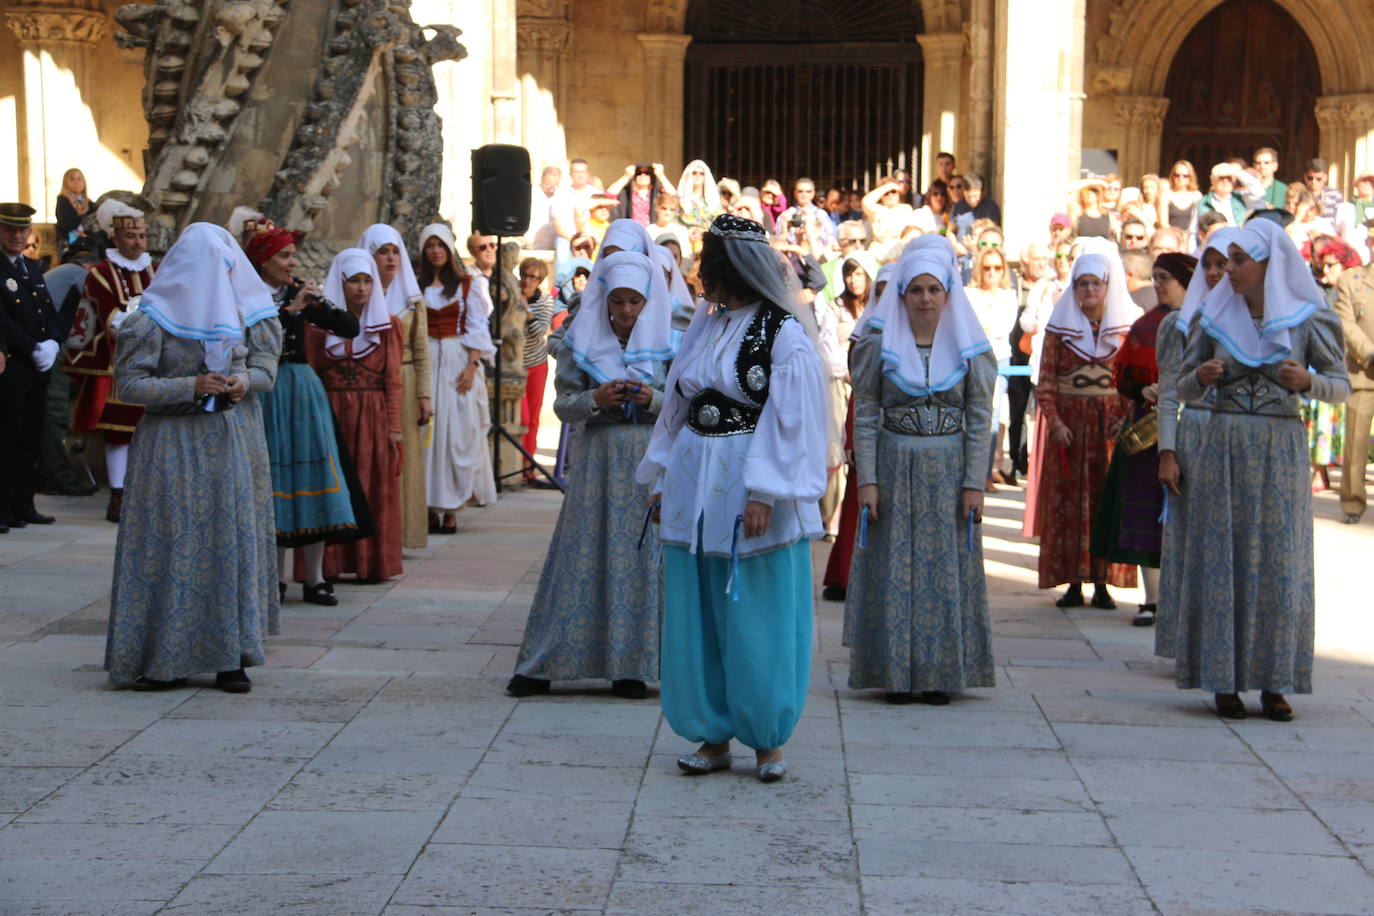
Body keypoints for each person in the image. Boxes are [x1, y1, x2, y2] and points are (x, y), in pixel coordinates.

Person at [637, 213, 828, 783]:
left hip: (748, 482)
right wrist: (662, 476)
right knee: (700, 608)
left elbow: (791, 419)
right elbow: (677, 405)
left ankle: (767, 740)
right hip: (695, 481)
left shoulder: (783, 331)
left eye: (709, 262)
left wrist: (767, 490)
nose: (700, 274)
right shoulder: (706, 322)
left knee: (756, 610)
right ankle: (712, 732)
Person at [1170, 219, 1350, 721]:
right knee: (1222, 558)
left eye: (1240, 261)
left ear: (1269, 264)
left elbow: (1342, 385)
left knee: (1277, 562)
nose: (1228, 270)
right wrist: (1200, 378)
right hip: (1222, 446)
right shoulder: (1213, 316)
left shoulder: (1309, 319)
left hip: (1280, 449)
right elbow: (1180, 385)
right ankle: (1223, 680)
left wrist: (1309, 380)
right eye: (1226, 261)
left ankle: (1275, 682)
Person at [103, 223, 282, 691]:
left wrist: (242, 382)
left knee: (228, 542)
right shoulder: (151, 317)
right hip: (171, 444)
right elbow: (130, 385)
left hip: (230, 441)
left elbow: (260, 369)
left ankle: (232, 656)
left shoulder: (240, 311)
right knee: (173, 544)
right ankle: (166, 657)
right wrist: (190, 386)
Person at [509, 250, 673, 699]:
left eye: (634, 302)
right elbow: (563, 406)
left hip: (645, 462)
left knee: (639, 560)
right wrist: (596, 398)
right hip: (597, 458)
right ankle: (551, 660)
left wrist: (651, 400)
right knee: (582, 556)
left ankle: (631, 667)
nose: (625, 311)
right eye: (617, 301)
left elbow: (683, 407)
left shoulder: (668, 343)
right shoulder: (583, 344)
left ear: (647, 302)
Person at [843, 245, 996, 704]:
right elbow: (866, 413)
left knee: (943, 569)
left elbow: (979, 416)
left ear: (948, 293)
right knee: (895, 565)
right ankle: (895, 670)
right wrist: (867, 480)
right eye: (915, 290)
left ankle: (938, 672)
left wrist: (974, 483)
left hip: (948, 470)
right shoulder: (877, 343)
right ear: (902, 294)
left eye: (934, 289)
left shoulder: (970, 346)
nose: (925, 299)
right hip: (893, 465)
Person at [246, 227, 368, 607]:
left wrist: (321, 302)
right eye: (285, 256)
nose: (292, 263)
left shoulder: (295, 291)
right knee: (275, 476)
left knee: (311, 473)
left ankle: (315, 578)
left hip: (302, 390)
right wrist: (292, 311)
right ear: (263, 261)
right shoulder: (248, 298)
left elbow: (349, 328)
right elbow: (251, 339)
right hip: (267, 391)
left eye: (293, 255)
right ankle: (276, 577)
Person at [1024, 242, 1137, 609]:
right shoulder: (1059, 328)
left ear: (1108, 286)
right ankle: (1073, 581)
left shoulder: (1123, 330)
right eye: (1082, 284)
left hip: (1108, 428)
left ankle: (1103, 582)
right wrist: (1054, 422)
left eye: (1095, 284)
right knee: (1069, 505)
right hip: (1069, 428)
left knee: (1106, 503)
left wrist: (1122, 422)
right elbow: (1047, 381)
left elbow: (1133, 383)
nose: (1089, 291)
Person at [1089, 252, 1195, 627]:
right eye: (1156, 277)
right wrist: (1143, 389)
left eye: (1167, 277)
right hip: (1149, 430)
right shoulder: (1145, 325)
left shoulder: (1205, 323)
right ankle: (1152, 599)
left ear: (1186, 280)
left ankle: (1184, 595)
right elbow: (1124, 377)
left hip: (1194, 428)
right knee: (1149, 510)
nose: (1159, 284)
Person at [308, 249, 404, 582]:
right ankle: (327, 566)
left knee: (372, 483)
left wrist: (395, 427)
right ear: (340, 283)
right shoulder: (317, 326)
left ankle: (371, 563)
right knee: (334, 485)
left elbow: (392, 379)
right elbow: (311, 372)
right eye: (353, 282)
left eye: (367, 281)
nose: (361, 289)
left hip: (373, 415)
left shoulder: (389, 326)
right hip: (330, 412)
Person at [65, 201, 157, 522]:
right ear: (115, 238)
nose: (138, 242)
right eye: (131, 236)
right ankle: (118, 495)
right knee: (120, 430)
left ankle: (143, 491)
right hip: (118, 362)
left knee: (151, 428)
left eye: (142, 235)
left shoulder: (154, 269)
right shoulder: (102, 274)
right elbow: (108, 316)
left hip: (155, 361)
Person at [418, 224, 496, 531]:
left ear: (449, 249)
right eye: (430, 245)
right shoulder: (413, 283)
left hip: (455, 358)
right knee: (428, 436)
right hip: (425, 358)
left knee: (456, 434)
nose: (436, 250)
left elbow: (477, 328)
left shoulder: (466, 284)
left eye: (441, 245)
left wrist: (472, 366)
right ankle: (425, 505)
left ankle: (452, 507)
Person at [359, 224, 433, 551]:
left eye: (394, 252)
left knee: (403, 457)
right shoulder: (356, 294)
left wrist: (424, 395)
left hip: (403, 380)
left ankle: (402, 533)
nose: (390, 258)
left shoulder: (413, 300)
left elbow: (421, 350)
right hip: (366, 383)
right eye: (382, 252)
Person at [0, 203, 63, 534]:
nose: (16, 235)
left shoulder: (32, 268)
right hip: (13, 365)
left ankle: (25, 503)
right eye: (10, 230)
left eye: (22, 230)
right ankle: (3, 506)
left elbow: (47, 310)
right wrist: (32, 347)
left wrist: (53, 341)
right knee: (7, 437)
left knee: (30, 438)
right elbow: (4, 320)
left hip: (38, 365)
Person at [37, 242, 100, 496]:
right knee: (55, 412)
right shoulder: (79, 274)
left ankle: (45, 472)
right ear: (91, 267)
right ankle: (56, 476)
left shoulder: (58, 273)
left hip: (39, 347)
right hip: (52, 348)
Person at [965, 248, 1018, 487]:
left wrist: (982, 323)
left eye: (997, 268)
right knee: (970, 415)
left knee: (993, 416)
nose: (992, 273)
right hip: (972, 358)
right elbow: (968, 326)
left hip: (998, 360)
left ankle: (985, 474)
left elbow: (1002, 328)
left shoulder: (1009, 296)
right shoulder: (969, 294)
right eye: (987, 268)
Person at [1332, 253, 1374, 522]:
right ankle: (1352, 503)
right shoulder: (1351, 280)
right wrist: (1369, 353)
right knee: (1356, 443)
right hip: (1364, 372)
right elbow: (1344, 322)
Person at [518, 256, 555, 482]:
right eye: (525, 275)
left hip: (536, 364)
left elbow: (540, 330)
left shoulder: (545, 301)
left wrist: (526, 311)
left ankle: (527, 466)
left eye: (533, 277)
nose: (527, 281)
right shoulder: (510, 297)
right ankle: (517, 460)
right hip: (515, 364)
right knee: (521, 417)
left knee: (532, 418)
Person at [607, 163, 676, 227]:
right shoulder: (626, 193)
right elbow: (609, 194)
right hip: (632, 231)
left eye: (647, 173)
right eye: (639, 173)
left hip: (653, 231)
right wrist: (626, 176)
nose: (643, 175)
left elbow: (674, 196)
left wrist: (661, 175)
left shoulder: (657, 193)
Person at [775, 177, 836, 246]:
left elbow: (830, 241)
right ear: (795, 193)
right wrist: (785, 226)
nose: (804, 194)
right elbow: (778, 242)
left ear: (813, 193)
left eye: (808, 191)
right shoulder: (786, 214)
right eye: (800, 191)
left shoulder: (821, 214)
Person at [862, 178, 915, 248]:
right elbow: (866, 201)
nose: (890, 195)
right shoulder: (877, 210)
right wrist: (888, 187)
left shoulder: (906, 209)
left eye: (893, 191)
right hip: (881, 250)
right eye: (886, 193)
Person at [1158, 160, 1202, 243]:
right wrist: (1177, 236)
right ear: (1172, 176)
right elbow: (1163, 223)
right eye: (1177, 175)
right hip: (1170, 238)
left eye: (1185, 176)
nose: (1180, 178)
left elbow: (1199, 221)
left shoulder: (1196, 196)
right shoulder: (1166, 196)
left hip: (1191, 239)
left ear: (1190, 177)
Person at [676, 159, 722, 231]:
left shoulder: (713, 200)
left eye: (701, 173)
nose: (698, 175)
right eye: (694, 173)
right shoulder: (681, 200)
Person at [54, 169, 90, 249]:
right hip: (69, 243)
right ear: (66, 183)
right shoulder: (63, 199)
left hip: (86, 242)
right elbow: (66, 223)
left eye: (79, 179)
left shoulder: (88, 202)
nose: (76, 182)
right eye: (72, 179)